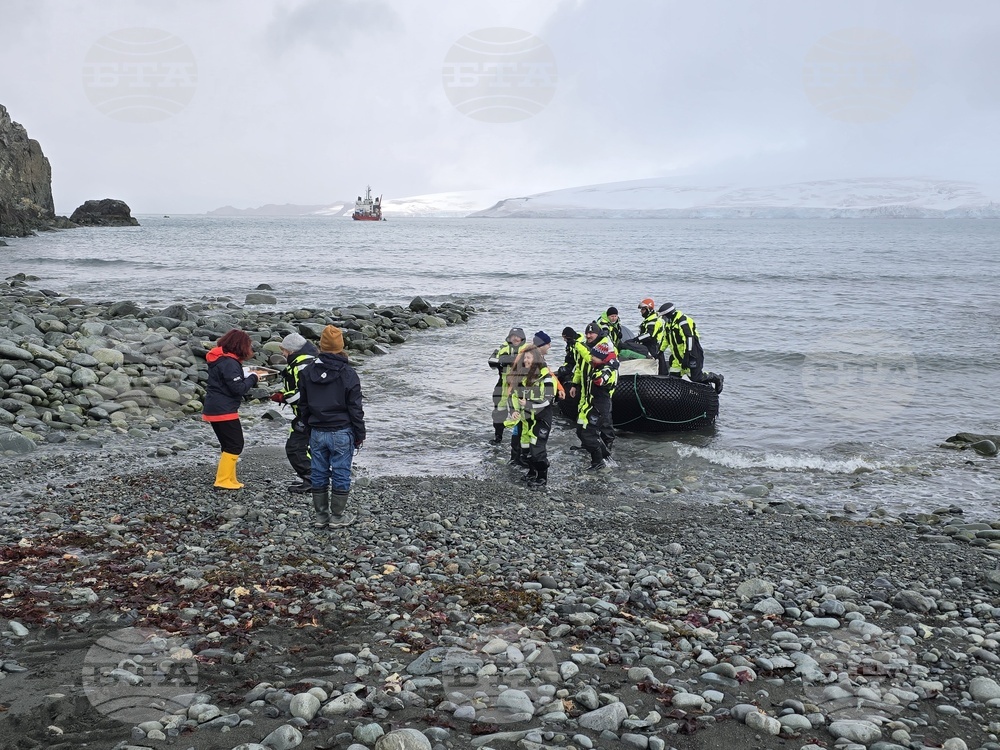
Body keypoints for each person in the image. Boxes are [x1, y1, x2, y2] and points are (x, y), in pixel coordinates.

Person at [298, 325, 366, 529]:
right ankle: (337, 516)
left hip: (318, 430)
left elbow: (304, 404)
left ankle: (321, 516)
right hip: (341, 431)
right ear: (341, 346)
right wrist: (360, 433)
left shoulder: (308, 371)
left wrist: (309, 426)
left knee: (318, 472)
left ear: (320, 346)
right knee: (341, 472)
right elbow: (355, 407)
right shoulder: (348, 373)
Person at [202, 329, 259, 490]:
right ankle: (222, 481)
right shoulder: (229, 363)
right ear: (240, 346)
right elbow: (238, 389)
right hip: (223, 410)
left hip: (214, 408)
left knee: (228, 445)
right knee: (235, 445)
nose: (250, 349)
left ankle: (230, 479)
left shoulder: (219, 359)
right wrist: (253, 378)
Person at [269, 332, 319, 493]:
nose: (282, 354)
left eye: (283, 350)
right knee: (308, 447)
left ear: (291, 350)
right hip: (310, 413)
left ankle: (312, 480)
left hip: (308, 414)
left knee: (295, 448)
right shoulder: (305, 361)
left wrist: (283, 397)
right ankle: (316, 478)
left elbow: (304, 393)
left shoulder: (302, 365)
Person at [508, 337, 557, 487]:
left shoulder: (546, 377)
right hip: (526, 419)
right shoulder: (522, 376)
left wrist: (529, 404)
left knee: (537, 449)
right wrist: (514, 410)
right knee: (525, 449)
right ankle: (531, 472)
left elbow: (548, 400)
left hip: (541, 419)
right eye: (525, 358)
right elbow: (514, 396)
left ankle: (542, 477)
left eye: (528, 358)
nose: (526, 361)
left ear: (535, 359)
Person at [570, 321, 618, 471]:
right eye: (587, 333)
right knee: (581, 428)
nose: (589, 335)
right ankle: (596, 450)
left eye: (592, 333)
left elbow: (606, 372)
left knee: (598, 426)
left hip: (600, 399)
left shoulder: (604, 349)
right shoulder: (588, 349)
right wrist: (575, 384)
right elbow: (580, 367)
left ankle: (602, 454)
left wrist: (579, 346)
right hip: (587, 394)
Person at [659, 302, 724, 393]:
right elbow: (665, 339)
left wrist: (687, 355)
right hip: (677, 358)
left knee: (696, 377)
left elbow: (689, 338)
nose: (663, 319)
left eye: (664, 316)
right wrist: (660, 351)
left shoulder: (683, 321)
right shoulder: (668, 325)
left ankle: (716, 378)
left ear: (670, 314)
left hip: (692, 354)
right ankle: (678, 397)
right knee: (673, 378)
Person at [488, 328, 526, 446]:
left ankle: (521, 439)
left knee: (522, 412)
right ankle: (498, 437)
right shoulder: (502, 348)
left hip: (521, 385)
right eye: (513, 336)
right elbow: (491, 361)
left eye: (518, 336)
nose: (515, 338)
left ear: (522, 338)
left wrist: (511, 360)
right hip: (503, 384)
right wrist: (502, 361)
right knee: (499, 411)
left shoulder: (527, 349)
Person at [632, 297, 670, 374]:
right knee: (658, 362)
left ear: (648, 309)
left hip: (653, 345)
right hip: (652, 345)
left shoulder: (653, 320)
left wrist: (635, 340)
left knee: (657, 363)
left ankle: (660, 377)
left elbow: (649, 335)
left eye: (643, 309)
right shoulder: (649, 319)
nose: (641, 311)